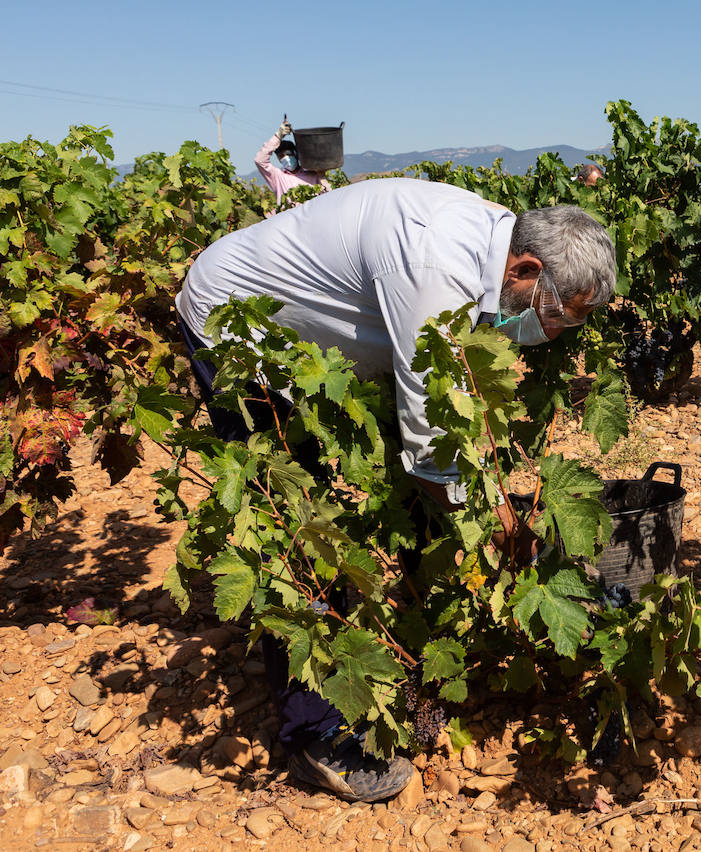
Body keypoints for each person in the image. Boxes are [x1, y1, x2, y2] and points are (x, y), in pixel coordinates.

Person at [174, 177, 617, 802]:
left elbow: (445, 402)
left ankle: (409, 634)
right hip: (240, 331)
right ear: (525, 267)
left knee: (399, 491)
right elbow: (433, 452)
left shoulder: (494, 245)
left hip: (331, 346)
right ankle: (315, 737)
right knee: (297, 528)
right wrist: (499, 528)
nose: (551, 334)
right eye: (553, 316)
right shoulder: (437, 265)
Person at [255, 119, 330, 212]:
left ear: (296, 153)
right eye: (281, 156)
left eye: (288, 154)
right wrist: (278, 136)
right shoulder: (278, 177)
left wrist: (322, 177)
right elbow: (259, 160)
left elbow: (328, 197)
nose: (286, 158)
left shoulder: (313, 175)